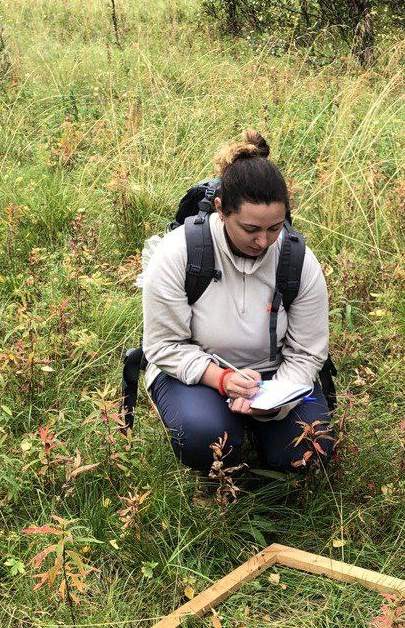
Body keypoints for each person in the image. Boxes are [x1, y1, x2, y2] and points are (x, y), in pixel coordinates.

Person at [142, 130, 333, 476]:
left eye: (275, 228)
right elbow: (163, 345)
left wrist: (276, 403)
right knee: (204, 435)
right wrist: (221, 379)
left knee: (308, 448)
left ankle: (262, 431)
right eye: (250, 230)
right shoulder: (178, 253)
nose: (263, 241)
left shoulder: (298, 261)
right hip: (195, 375)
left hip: (275, 376)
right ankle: (216, 447)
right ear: (220, 210)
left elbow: (307, 352)